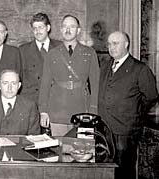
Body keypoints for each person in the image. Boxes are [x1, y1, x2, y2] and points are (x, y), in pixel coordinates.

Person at [98, 31, 158, 179]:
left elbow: (151, 96)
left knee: (123, 171)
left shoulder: (140, 69)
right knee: (105, 171)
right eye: (109, 44)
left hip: (125, 131)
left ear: (126, 44)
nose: (111, 47)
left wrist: (134, 113)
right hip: (104, 129)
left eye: (115, 43)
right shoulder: (105, 66)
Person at [39, 14, 100, 136]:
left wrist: (93, 109)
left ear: (78, 31)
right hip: (57, 109)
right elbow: (45, 83)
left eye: (72, 27)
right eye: (65, 27)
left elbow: (95, 83)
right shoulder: (52, 54)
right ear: (61, 30)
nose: (68, 30)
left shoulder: (89, 53)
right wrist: (43, 111)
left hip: (82, 109)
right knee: (59, 148)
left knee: (82, 148)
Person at [19, 12, 62, 104]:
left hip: (56, 100)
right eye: (35, 28)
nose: (38, 31)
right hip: (32, 101)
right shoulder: (23, 50)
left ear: (48, 28)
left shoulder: (60, 47)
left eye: (41, 27)